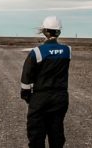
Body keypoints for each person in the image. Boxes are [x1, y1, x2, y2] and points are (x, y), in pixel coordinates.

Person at [20, 16, 71, 148]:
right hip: (60, 98)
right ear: (59, 32)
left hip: (40, 98)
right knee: (56, 132)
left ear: (45, 32)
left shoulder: (37, 52)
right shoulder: (67, 51)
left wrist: (28, 96)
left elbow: (26, 77)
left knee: (36, 134)